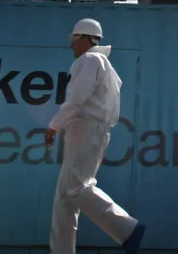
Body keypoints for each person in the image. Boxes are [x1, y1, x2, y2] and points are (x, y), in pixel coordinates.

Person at [44, 18, 146, 254]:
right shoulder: (105, 65)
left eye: (74, 39)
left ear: (85, 38)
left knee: (76, 189)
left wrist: (53, 126)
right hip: (93, 129)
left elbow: (77, 100)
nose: (71, 45)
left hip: (86, 128)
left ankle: (126, 228)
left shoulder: (89, 60)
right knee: (64, 199)